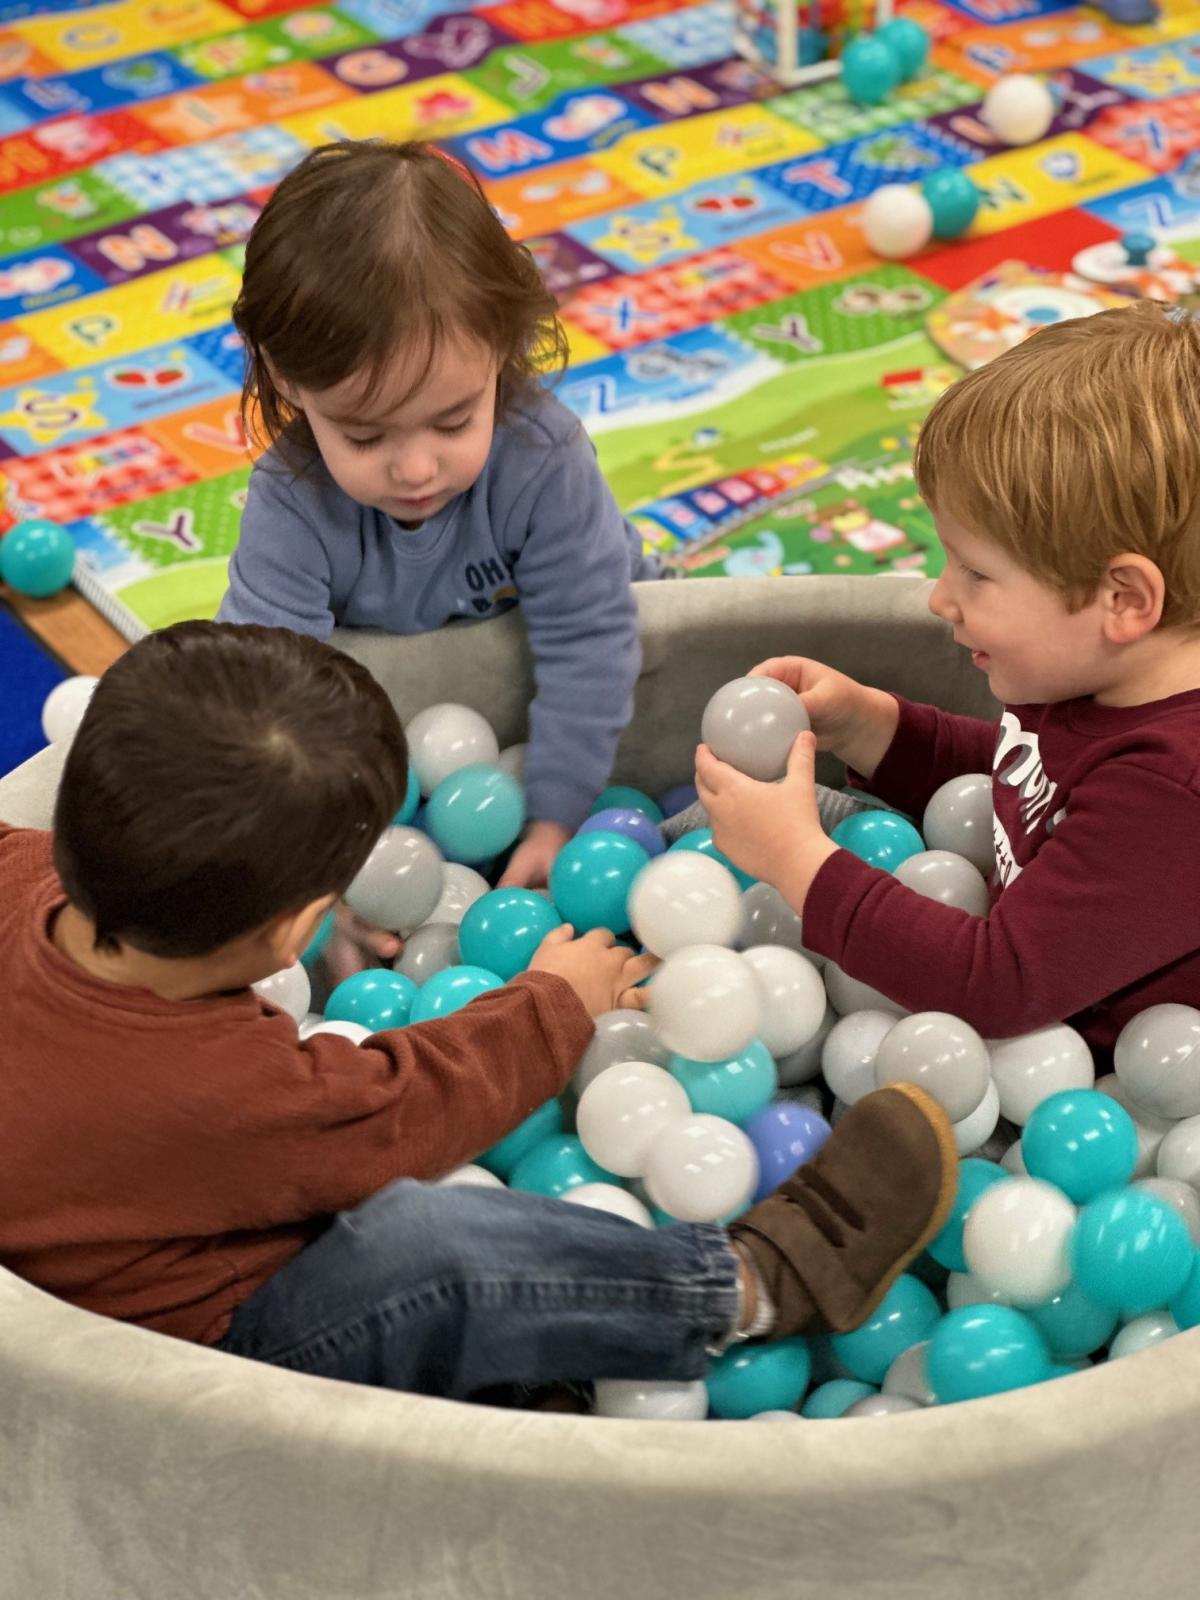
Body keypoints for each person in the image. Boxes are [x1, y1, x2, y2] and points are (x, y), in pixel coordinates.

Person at [0, 622, 955, 1403]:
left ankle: (531, 1377)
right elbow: (404, 1107)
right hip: (215, 1350)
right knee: (428, 1253)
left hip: (114, 1212)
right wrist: (556, 1004)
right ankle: (752, 1280)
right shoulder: (223, 1092)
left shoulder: (20, 872)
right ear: (293, 928)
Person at [697, 302, 1200, 1055]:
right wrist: (874, 727)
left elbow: (995, 983)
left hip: (1093, 1091)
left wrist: (798, 861)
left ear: (1122, 600)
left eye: (977, 572)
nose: (940, 598)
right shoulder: (1098, 671)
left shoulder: (1172, 794)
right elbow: (1030, 787)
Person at [217, 139, 659, 903]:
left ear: (499, 351)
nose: (416, 470)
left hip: (604, 678)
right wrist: (315, 881)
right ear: (291, 382)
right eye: (365, 436)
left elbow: (592, 639)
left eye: (453, 422)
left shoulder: (541, 460)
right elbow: (266, 698)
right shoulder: (291, 501)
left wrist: (556, 821)